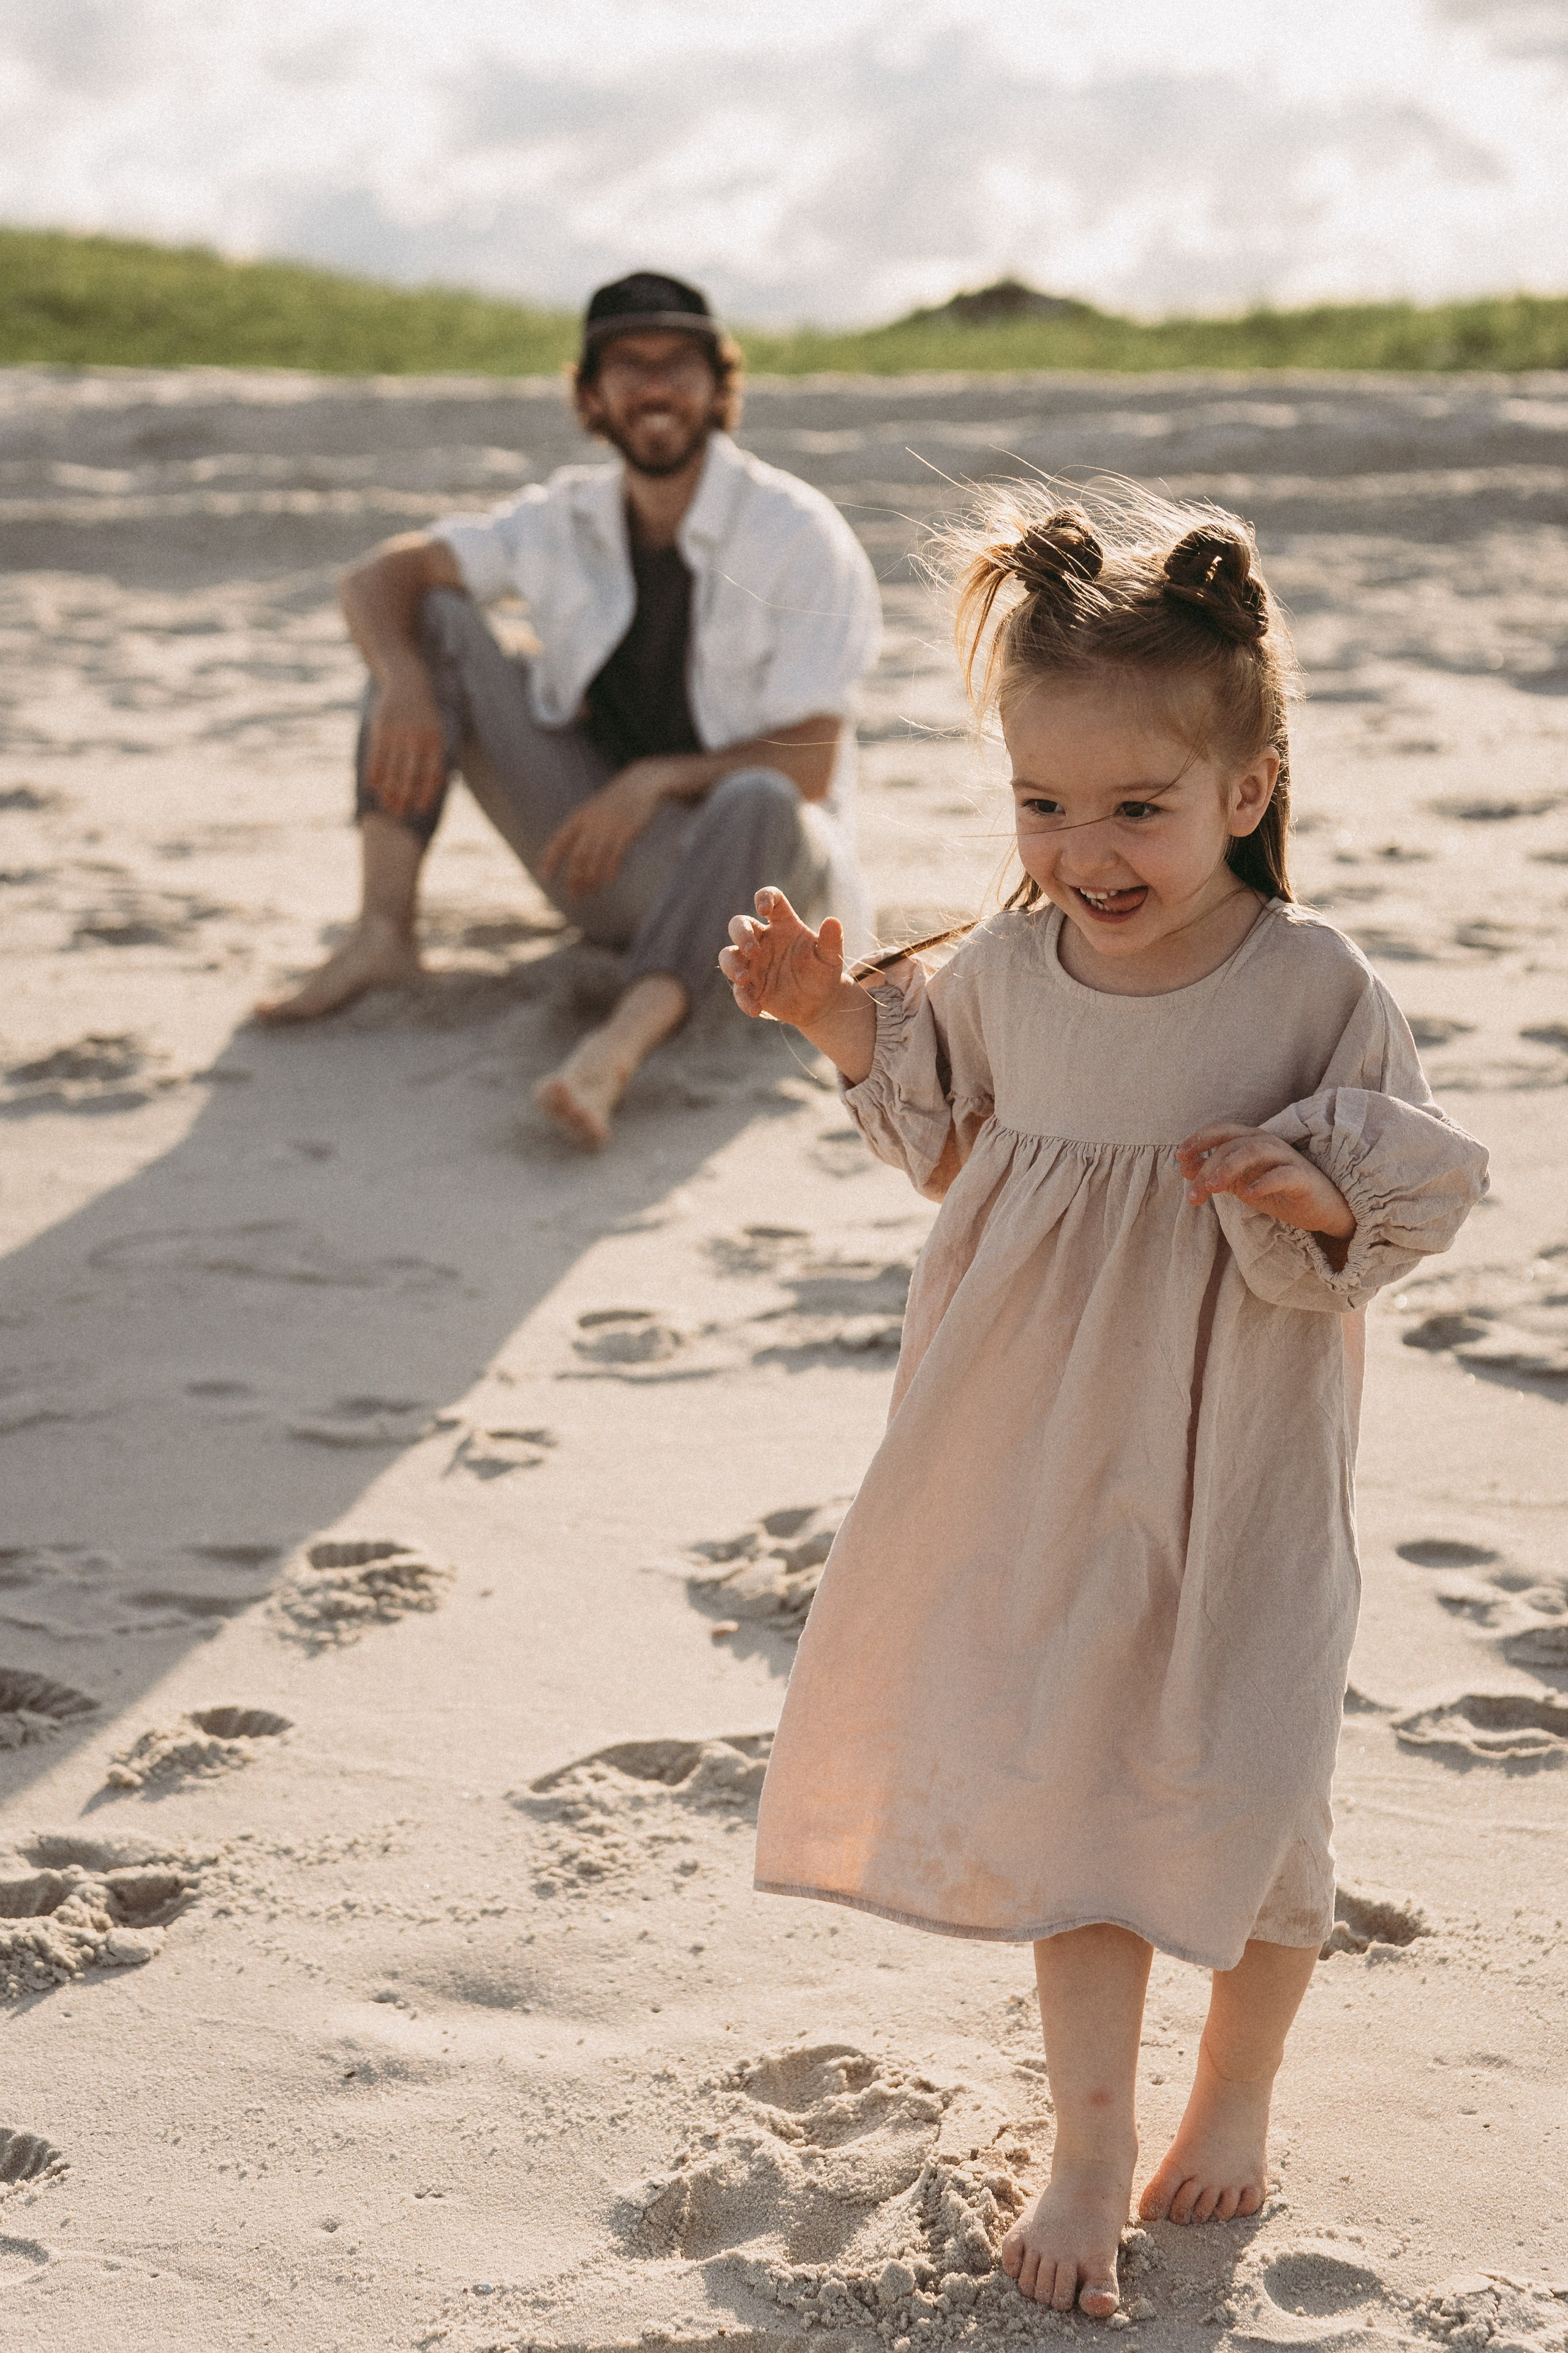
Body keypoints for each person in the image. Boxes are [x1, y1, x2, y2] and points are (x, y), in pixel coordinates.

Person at [720, 488, 1487, 2317]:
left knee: (1250, 1775)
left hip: (1246, 1455)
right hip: (1045, 1451)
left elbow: (1415, 1181)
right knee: (1080, 1783)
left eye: (1137, 805)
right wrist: (834, 1023)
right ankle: (1084, 2137)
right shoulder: (998, 968)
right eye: (1041, 805)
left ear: (1247, 786)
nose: (1086, 849)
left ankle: (1237, 2084)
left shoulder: (1314, 984)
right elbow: (941, 1129)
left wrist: (1309, 1192)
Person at [257, 270, 882, 1149]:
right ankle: (382, 934)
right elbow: (374, 577)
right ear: (591, 394)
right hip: (616, 866)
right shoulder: (566, 517)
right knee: (429, 616)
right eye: (628, 365)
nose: (656, 384)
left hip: (768, 890)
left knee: (759, 794)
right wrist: (399, 677)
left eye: (680, 363)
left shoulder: (797, 533)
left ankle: (616, 1047)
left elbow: (811, 763)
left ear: (718, 385)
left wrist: (655, 779)